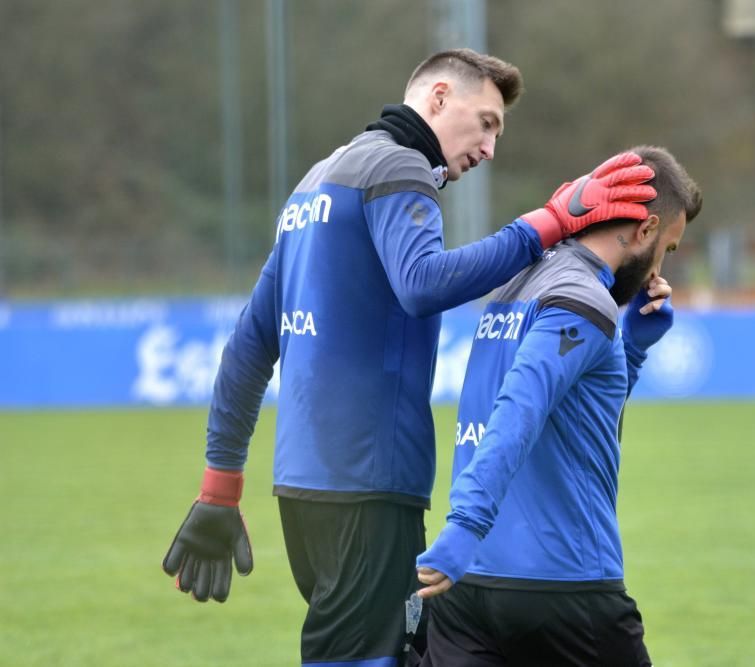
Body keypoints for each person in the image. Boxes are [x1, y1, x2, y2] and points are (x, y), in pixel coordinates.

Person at [161, 48, 658, 667]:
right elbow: (421, 284)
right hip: (370, 486)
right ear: (440, 97)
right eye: (487, 122)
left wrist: (220, 485)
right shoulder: (399, 168)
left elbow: (249, 344)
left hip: (303, 488)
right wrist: (545, 225)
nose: (490, 147)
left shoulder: (316, 181)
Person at [414, 145, 702, 666]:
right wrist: (466, 524)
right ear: (644, 229)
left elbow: (576, 424)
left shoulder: (514, 284)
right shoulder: (583, 300)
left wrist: (630, 350)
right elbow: (518, 411)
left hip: (469, 591)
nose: (661, 268)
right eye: (668, 248)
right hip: (564, 586)